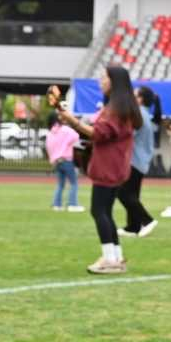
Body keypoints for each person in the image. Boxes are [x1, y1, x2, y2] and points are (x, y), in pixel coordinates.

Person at [50, 67, 141, 275]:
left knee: (98, 210)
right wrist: (72, 119)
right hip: (115, 166)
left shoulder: (116, 110)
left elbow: (98, 133)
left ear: (114, 82)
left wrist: (71, 120)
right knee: (105, 211)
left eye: (104, 78)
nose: (101, 81)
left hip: (108, 167)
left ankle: (110, 259)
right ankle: (116, 257)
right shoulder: (121, 108)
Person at [119, 85, 161, 237]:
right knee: (132, 194)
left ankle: (147, 220)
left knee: (122, 192)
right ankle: (133, 227)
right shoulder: (146, 116)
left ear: (140, 99)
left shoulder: (138, 115)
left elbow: (126, 135)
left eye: (134, 95)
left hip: (133, 160)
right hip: (141, 162)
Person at [47, 113, 81, 212]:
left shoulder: (50, 133)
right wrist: (67, 143)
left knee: (60, 184)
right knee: (74, 183)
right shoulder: (65, 130)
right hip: (66, 159)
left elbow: (49, 147)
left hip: (56, 161)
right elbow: (76, 136)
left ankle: (56, 204)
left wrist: (52, 159)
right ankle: (72, 204)